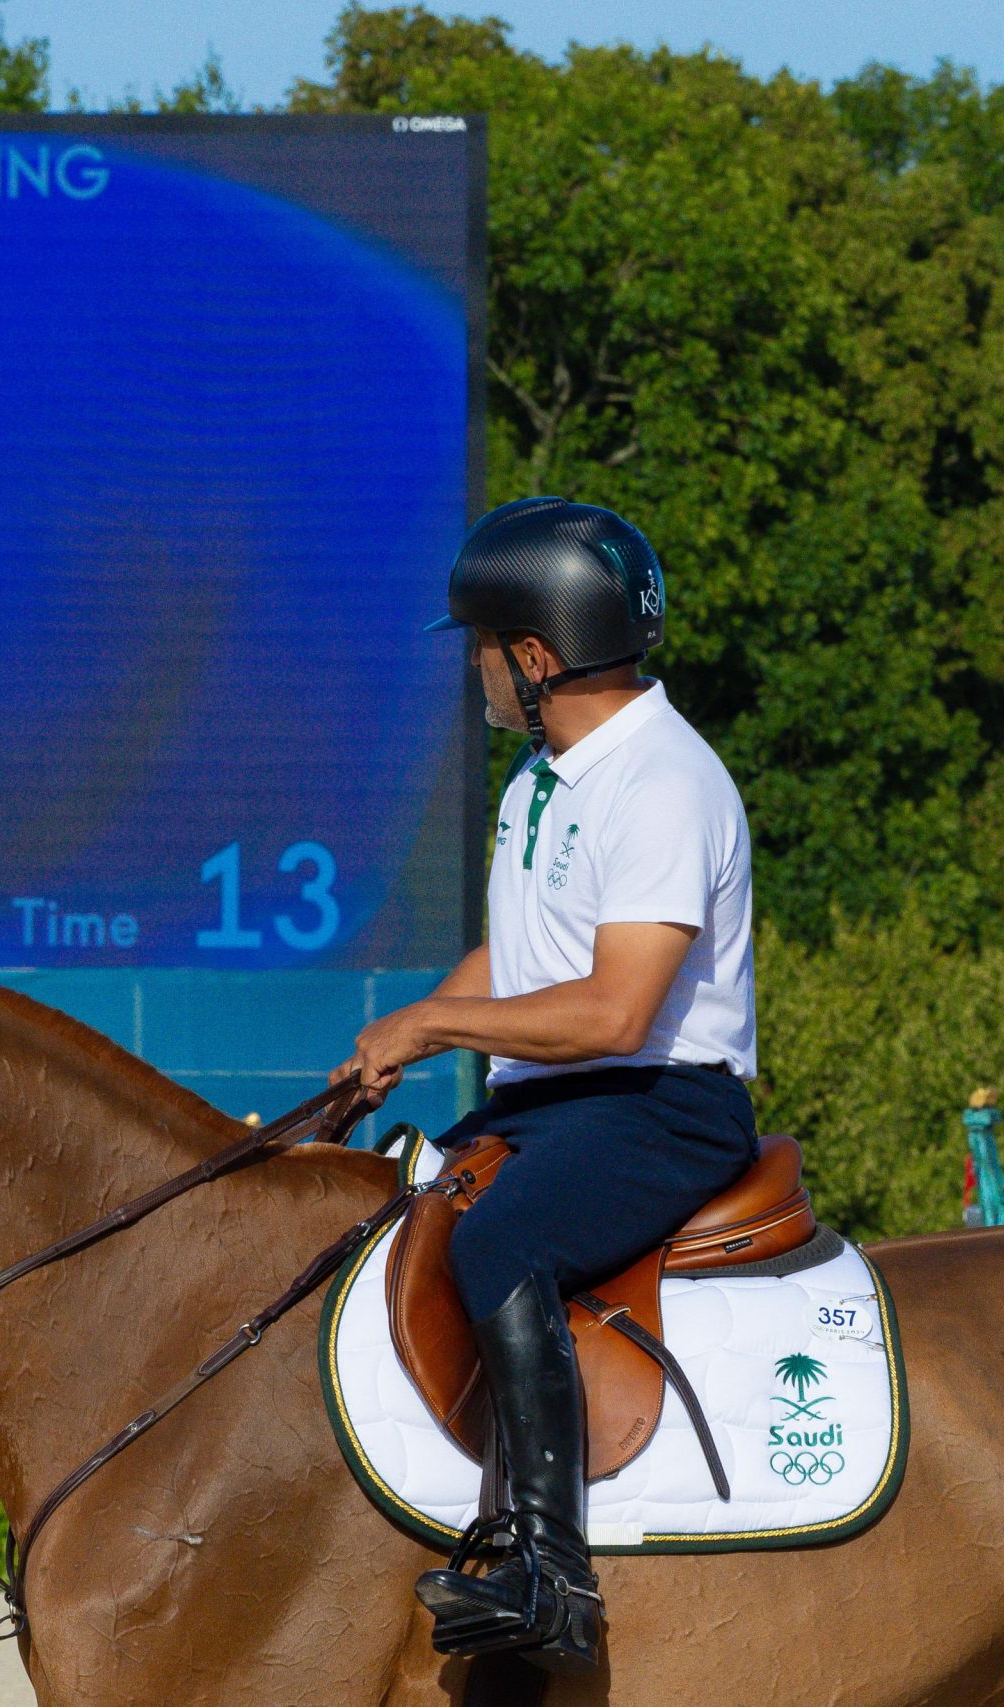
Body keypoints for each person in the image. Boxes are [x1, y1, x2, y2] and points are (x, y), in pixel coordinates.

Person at [330, 498, 759, 1673]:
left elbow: (615, 1010)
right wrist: (400, 1041)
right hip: (556, 1101)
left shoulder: (663, 782)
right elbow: (520, 960)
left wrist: (433, 1020)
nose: (470, 668)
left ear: (531, 657)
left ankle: (551, 1576)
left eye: (479, 646)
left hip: (659, 1106)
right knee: (396, 1216)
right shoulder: (541, 780)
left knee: (500, 1241)